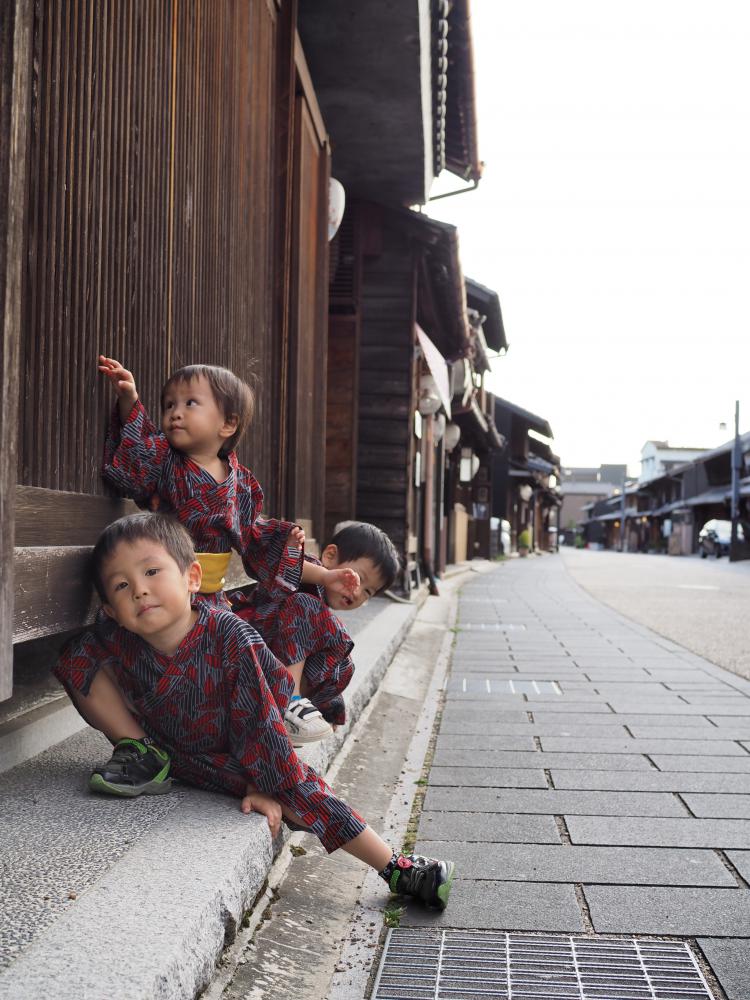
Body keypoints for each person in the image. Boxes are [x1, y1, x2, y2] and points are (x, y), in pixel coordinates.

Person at [57, 512, 455, 910]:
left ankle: (397, 867)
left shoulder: (228, 634)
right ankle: (140, 751)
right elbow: (86, 653)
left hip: (234, 750)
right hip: (172, 752)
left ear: (192, 578)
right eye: (122, 585)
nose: (140, 591)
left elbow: (258, 718)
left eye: (152, 572)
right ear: (110, 610)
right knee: (75, 655)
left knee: (299, 789)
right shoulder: (122, 638)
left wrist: (262, 779)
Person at [57, 356, 357, 765]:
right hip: (168, 593)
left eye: (190, 403)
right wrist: (130, 402)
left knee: (301, 609)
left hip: (212, 600)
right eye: (168, 404)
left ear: (227, 425)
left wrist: (326, 576)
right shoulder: (166, 461)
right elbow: (135, 462)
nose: (175, 413)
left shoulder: (241, 483)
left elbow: (261, 546)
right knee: (83, 655)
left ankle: (283, 703)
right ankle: (141, 749)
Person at [231, 521, 399, 745]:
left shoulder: (322, 613)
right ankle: (287, 703)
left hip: (271, 668)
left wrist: (332, 711)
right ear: (330, 556)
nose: (358, 592)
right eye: (357, 578)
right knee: (305, 606)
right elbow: (289, 568)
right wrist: (322, 575)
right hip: (251, 639)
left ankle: (295, 711)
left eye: (368, 591)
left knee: (343, 664)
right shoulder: (311, 573)